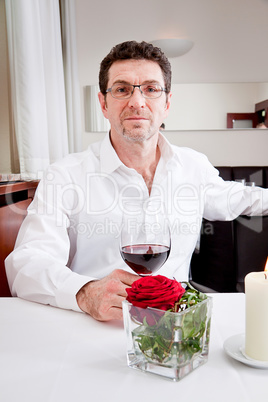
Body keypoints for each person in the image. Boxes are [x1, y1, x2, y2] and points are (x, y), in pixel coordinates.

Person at [5, 41, 268, 321]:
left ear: (167, 104)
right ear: (103, 104)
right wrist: (85, 293)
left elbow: (239, 198)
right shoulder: (65, 175)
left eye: (151, 89)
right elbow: (26, 264)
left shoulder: (193, 166)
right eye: (122, 89)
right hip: (93, 325)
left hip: (175, 327)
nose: (137, 102)